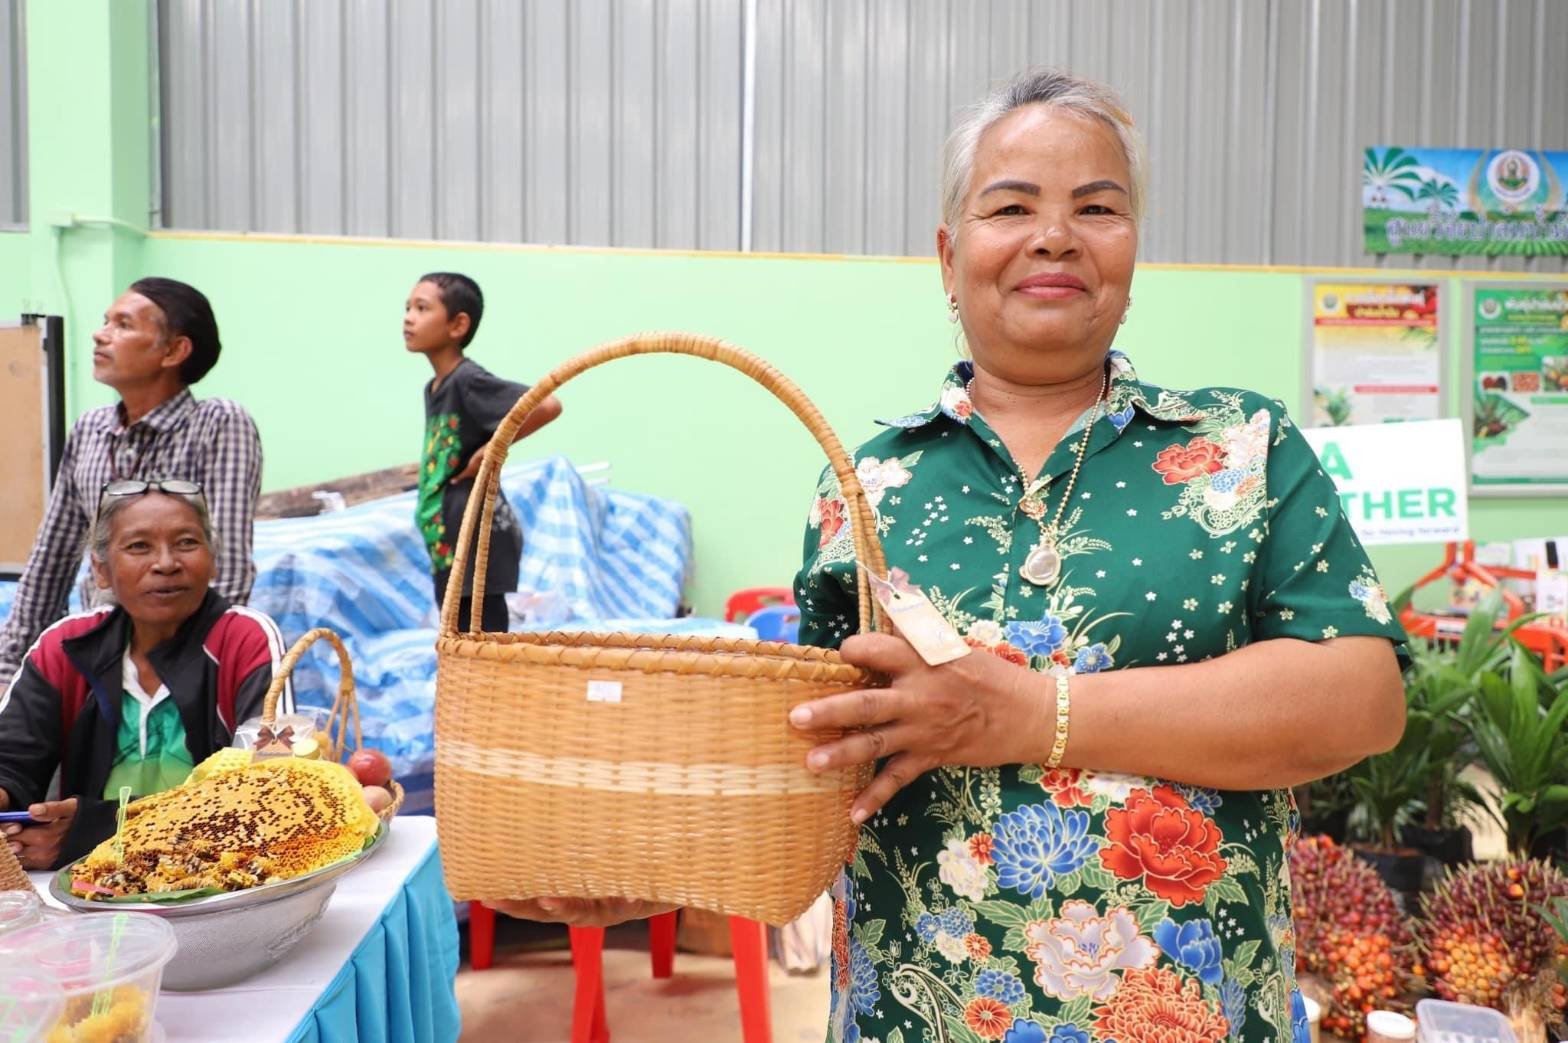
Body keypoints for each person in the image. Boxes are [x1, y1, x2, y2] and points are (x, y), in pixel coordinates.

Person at [489, 69, 1408, 1043]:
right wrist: (634, 873)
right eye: (1010, 205)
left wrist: (1029, 714)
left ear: (1131, 248)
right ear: (948, 252)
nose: (1052, 234)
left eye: (1094, 207)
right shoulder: (866, 486)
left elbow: (1359, 696)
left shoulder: (1241, 451)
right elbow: (814, 773)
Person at [0, 480, 289, 869]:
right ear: (102, 570)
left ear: (213, 560)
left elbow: (272, 788)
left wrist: (100, 830)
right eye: (139, 546)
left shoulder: (246, 640)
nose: (166, 563)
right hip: (89, 890)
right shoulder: (65, 647)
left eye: (186, 543)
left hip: (218, 880)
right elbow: (12, 759)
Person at [0, 278, 262, 683]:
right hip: (97, 655)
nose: (100, 334)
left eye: (122, 325)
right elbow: (51, 558)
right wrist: (10, 666)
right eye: (106, 321)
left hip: (183, 662)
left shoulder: (217, 424)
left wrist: (198, 675)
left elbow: (225, 568)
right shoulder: (90, 429)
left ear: (174, 350)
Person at [406, 272, 562, 633]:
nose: (409, 317)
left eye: (422, 308)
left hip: (477, 539)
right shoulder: (435, 388)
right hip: (449, 544)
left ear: (458, 324)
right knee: (456, 641)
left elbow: (547, 405)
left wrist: (491, 450)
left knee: (482, 640)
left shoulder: (467, 380)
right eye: (408, 308)